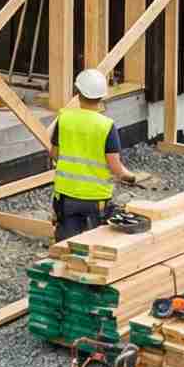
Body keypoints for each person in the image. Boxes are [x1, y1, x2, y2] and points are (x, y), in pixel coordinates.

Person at [52, 68, 138, 242]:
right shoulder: (106, 126)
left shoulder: (64, 119)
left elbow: (54, 154)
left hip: (66, 196)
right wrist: (130, 177)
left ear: (77, 92)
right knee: (95, 245)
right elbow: (115, 167)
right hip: (95, 199)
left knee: (66, 244)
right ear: (102, 96)